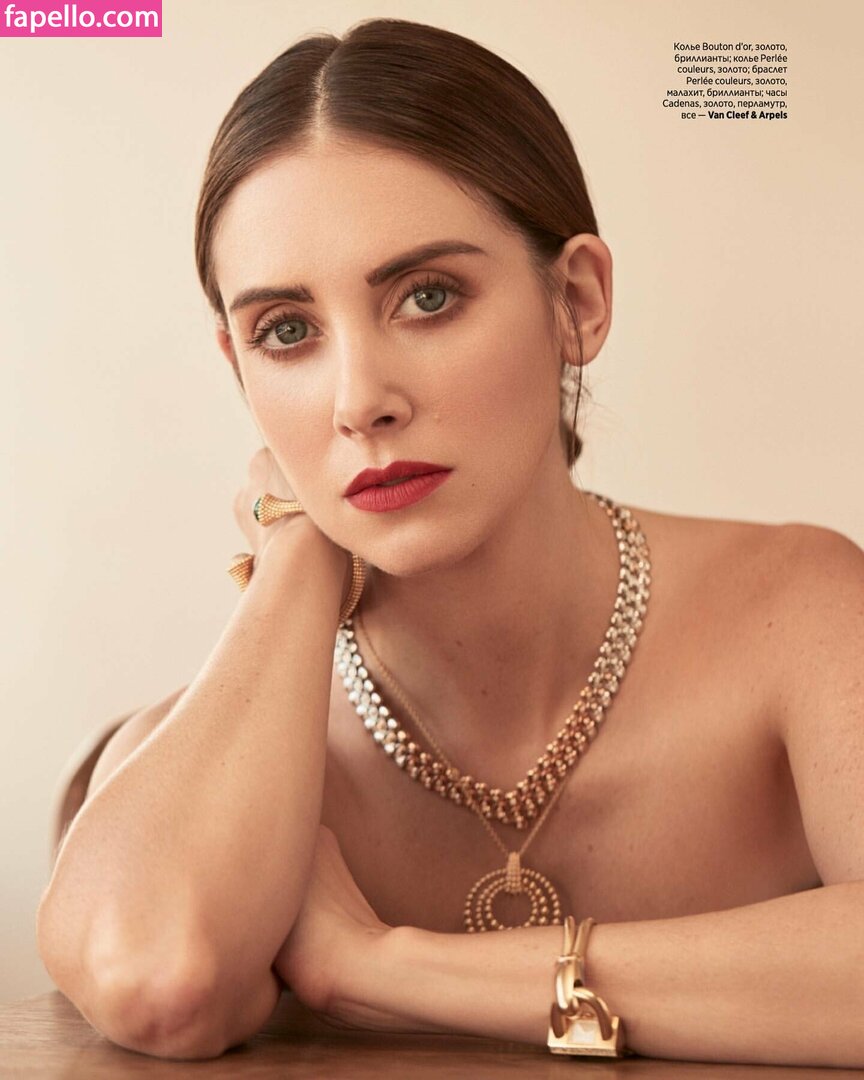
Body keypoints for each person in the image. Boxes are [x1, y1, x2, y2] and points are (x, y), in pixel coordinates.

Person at [36, 16, 864, 1067]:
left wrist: (382, 967)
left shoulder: (798, 612)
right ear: (238, 369)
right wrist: (294, 558)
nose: (359, 401)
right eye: (286, 331)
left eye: (427, 298)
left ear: (576, 302)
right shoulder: (215, 761)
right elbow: (157, 979)